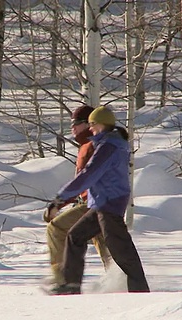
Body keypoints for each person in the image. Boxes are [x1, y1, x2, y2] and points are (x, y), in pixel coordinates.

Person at [45, 105, 150, 295]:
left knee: (121, 250)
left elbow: (88, 175)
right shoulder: (106, 143)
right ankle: (71, 285)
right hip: (99, 204)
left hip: (109, 203)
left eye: (92, 125)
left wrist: (60, 199)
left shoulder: (108, 147)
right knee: (75, 236)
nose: (90, 129)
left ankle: (139, 291)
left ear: (102, 125)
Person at [43, 105, 111, 286]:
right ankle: (121, 279)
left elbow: (84, 180)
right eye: (71, 123)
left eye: (77, 123)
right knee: (103, 241)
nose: (72, 127)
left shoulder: (91, 146)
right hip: (99, 203)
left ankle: (62, 278)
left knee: (56, 229)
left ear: (89, 124)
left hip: (95, 204)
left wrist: (58, 203)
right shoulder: (90, 145)